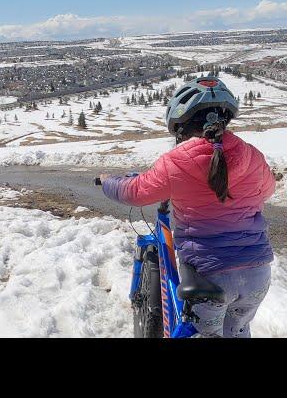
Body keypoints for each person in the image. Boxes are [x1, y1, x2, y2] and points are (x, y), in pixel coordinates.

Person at [99, 76, 275, 338]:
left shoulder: (176, 162)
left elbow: (133, 192)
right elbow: (267, 190)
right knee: (237, 331)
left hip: (210, 275)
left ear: (180, 127)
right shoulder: (252, 154)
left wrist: (106, 181)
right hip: (258, 272)